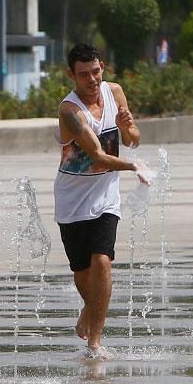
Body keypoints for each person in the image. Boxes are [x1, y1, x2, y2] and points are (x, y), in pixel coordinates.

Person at [55, 43, 150, 358]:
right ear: (71, 75)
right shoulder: (69, 111)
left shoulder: (115, 92)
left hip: (106, 197)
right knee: (82, 274)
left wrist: (128, 128)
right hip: (72, 201)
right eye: (84, 75)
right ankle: (89, 307)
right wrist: (133, 165)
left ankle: (95, 343)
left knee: (102, 262)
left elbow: (133, 138)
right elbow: (96, 155)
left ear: (103, 67)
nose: (92, 80)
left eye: (95, 72)